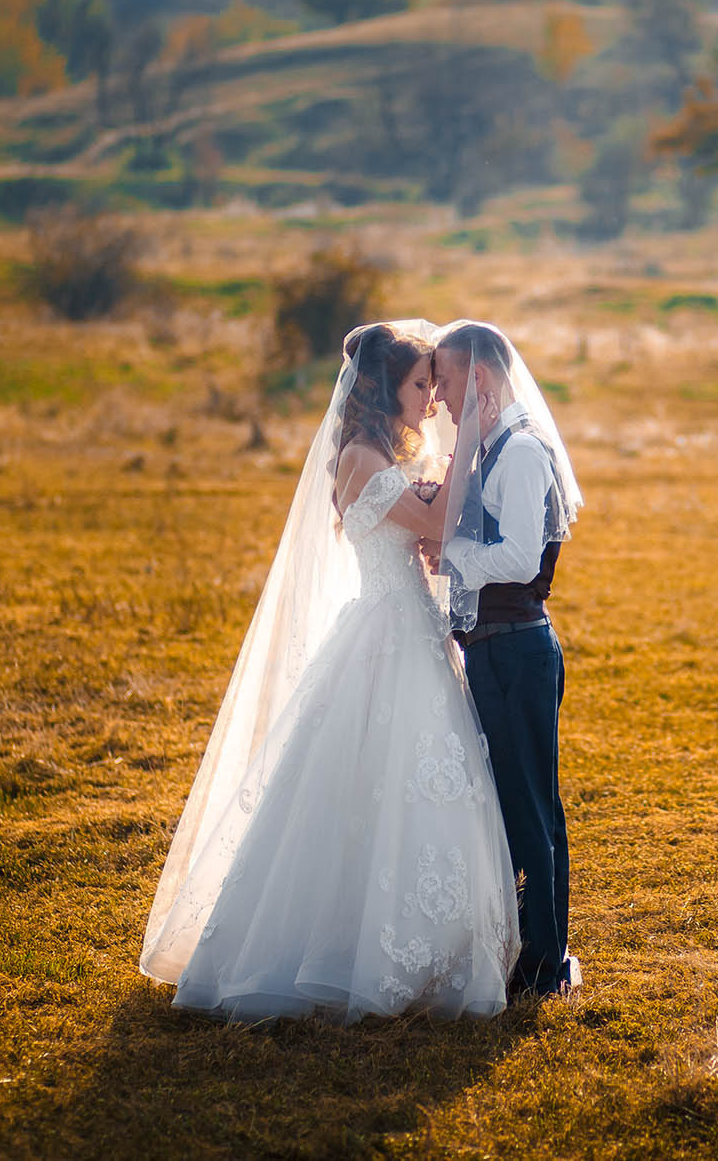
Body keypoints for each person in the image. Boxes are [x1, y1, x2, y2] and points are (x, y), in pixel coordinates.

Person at [139, 321, 518, 1022]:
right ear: (383, 388)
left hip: (411, 629)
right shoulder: (362, 459)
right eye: (421, 384)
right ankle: (349, 953)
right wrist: (469, 437)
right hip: (385, 634)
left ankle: (432, 944)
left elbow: (427, 521)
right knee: (365, 785)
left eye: (435, 385)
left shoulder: (385, 454)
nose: (432, 397)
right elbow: (435, 528)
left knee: (419, 785)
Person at [433, 321, 584, 998]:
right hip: (498, 649)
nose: (436, 394)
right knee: (524, 802)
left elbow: (522, 558)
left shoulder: (520, 452)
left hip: (519, 650)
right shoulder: (490, 449)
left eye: (444, 378)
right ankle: (542, 950)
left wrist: (454, 554)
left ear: (480, 380)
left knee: (531, 808)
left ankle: (546, 964)